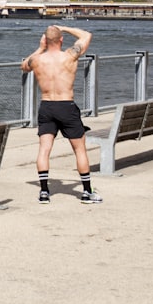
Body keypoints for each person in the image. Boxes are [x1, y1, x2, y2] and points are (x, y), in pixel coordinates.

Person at [21, 24, 102, 204]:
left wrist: (41, 48)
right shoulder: (70, 56)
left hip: (46, 106)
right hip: (66, 106)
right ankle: (87, 192)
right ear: (61, 40)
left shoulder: (37, 60)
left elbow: (24, 66)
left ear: (45, 40)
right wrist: (64, 27)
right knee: (79, 149)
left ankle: (44, 192)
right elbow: (87, 34)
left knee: (44, 149)